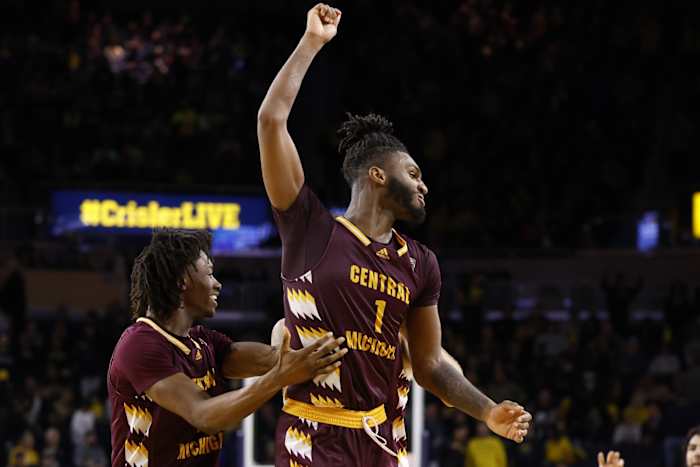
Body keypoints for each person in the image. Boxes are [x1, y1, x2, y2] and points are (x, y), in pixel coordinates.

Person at [257, 4, 531, 465]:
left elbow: (430, 363)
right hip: (314, 436)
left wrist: (487, 411)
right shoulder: (311, 229)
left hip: (386, 441)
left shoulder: (420, 262)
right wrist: (312, 42)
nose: (424, 185)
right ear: (379, 175)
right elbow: (270, 121)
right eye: (414, 172)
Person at [107, 229, 346, 467]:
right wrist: (279, 378)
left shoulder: (203, 342)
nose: (217, 284)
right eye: (209, 274)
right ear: (182, 281)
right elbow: (204, 415)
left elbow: (275, 359)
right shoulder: (139, 345)